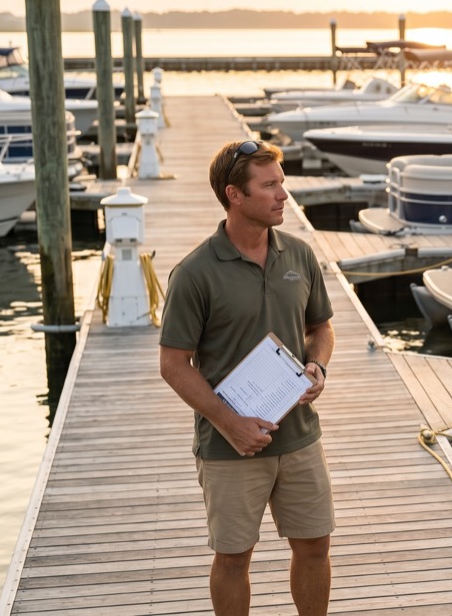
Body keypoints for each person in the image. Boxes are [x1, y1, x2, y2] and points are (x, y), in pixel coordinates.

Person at [159, 139, 336, 616]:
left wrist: (317, 365)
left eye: (282, 183)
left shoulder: (299, 255)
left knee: (316, 547)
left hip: (299, 437)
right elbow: (173, 364)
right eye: (270, 185)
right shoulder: (195, 273)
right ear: (234, 195)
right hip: (230, 445)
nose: (283, 195)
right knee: (235, 557)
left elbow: (321, 327)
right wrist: (229, 422)